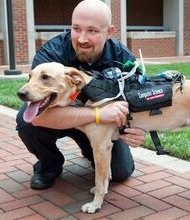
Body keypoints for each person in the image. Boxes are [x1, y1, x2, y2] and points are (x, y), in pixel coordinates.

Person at [16, 0, 146, 190]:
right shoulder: (52, 54)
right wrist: (98, 115)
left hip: (98, 127)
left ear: (110, 32)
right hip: (61, 118)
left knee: (121, 172)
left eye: (92, 31)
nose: (82, 38)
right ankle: (49, 165)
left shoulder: (123, 59)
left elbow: (136, 104)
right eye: (76, 29)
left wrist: (135, 130)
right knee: (26, 121)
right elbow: (37, 118)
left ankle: (90, 149)